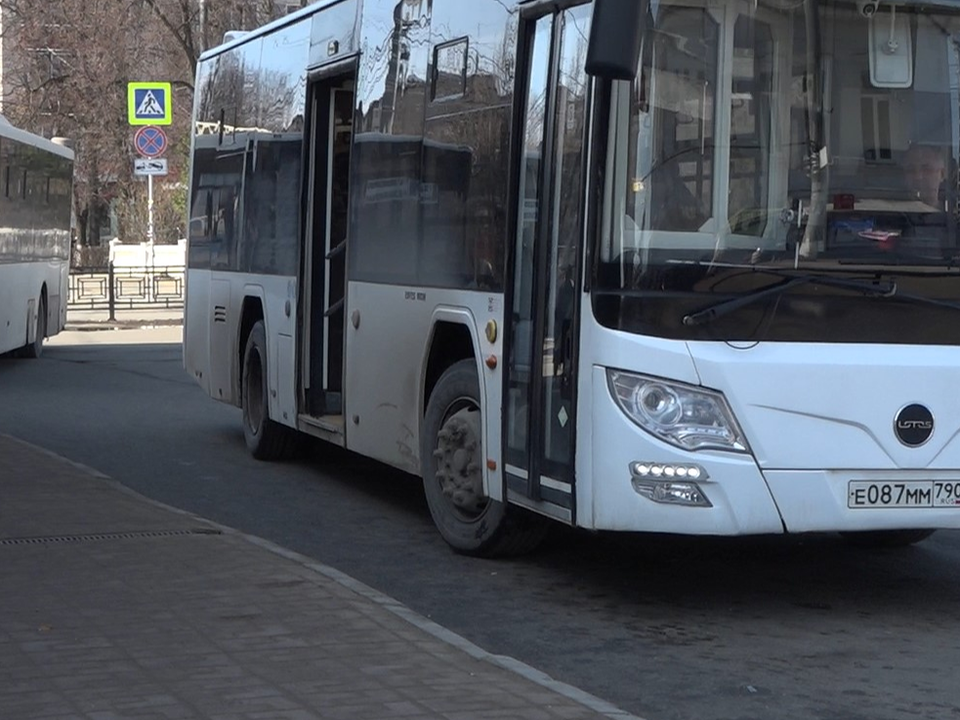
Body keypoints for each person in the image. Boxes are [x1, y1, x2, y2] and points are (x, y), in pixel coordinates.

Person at [903, 144, 946, 209]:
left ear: (942, 174)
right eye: (911, 169)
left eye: (926, 169)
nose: (918, 177)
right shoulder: (891, 214)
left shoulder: (954, 214)